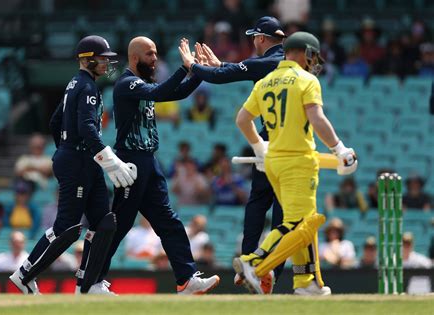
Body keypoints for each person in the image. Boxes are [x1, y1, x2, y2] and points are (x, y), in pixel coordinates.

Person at [9, 35, 137, 295]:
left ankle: (87, 286)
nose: (105, 63)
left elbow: (56, 122)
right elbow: (86, 127)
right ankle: (24, 274)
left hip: (80, 159)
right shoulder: (87, 87)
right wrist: (107, 160)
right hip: (79, 161)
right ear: (87, 60)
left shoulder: (75, 84)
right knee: (67, 227)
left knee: (104, 223)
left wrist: (66, 149)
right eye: (101, 59)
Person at [232, 31, 358, 295]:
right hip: (298, 161)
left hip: (274, 162)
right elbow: (317, 119)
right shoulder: (306, 80)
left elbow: (242, 119)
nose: (314, 61)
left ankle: (306, 281)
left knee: (300, 220)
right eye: (312, 55)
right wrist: (339, 148)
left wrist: (258, 145)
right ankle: (253, 263)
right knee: (300, 225)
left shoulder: (265, 82)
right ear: (301, 52)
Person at [97, 36, 220, 295]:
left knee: (169, 221)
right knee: (119, 225)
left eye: (155, 54)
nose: (155, 59)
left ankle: (186, 279)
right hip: (130, 162)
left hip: (149, 162)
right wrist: (186, 67)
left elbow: (179, 92)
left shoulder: (143, 84)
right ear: (134, 57)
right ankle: (92, 280)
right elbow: (159, 92)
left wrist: (200, 71)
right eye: (150, 54)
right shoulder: (127, 84)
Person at [180, 16, 286, 289]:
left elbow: (220, 77)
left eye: (254, 37)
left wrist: (193, 65)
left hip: (272, 140)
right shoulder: (286, 63)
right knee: (285, 209)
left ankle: (251, 262)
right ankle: (272, 270)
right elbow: (234, 70)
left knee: (261, 201)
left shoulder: (266, 63)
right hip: (295, 141)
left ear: (261, 39)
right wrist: (221, 65)